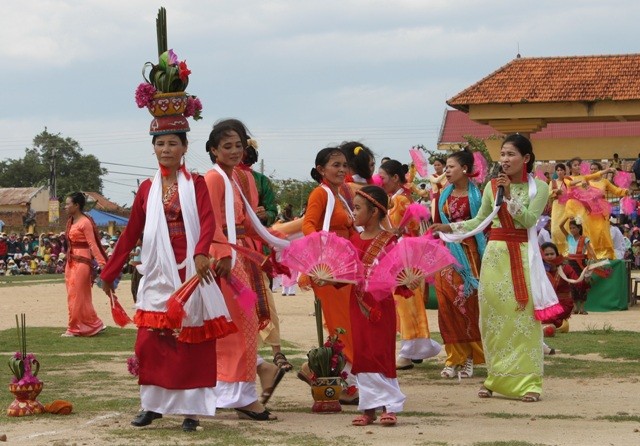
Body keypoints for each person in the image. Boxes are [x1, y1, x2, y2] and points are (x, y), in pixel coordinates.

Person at [432, 134, 561, 403]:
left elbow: (528, 220)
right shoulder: (492, 187)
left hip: (523, 257)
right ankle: (494, 378)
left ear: (525, 158)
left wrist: (509, 197)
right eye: (502, 154)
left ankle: (529, 382)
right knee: (492, 320)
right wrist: (449, 227)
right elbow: (480, 220)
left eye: (511, 154)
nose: (505, 160)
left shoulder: (539, 187)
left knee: (523, 319)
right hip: (494, 257)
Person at [205, 119, 282, 421]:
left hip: (241, 257)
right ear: (213, 150)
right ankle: (243, 397)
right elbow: (209, 220)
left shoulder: (235, 178)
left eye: (239, 145)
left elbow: (248, 222)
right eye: (227, 146)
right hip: (226, 261)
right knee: (239, 327)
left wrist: (279, 240)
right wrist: (223, 253)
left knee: (244, 324)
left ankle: (239, 388)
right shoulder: (214, 179)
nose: (235, 150)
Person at [301, 146, 359, 403]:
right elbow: (308, 225)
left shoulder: (341, 196)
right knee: (344, 324)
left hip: (345, 267)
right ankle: (345, 384)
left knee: (346, 324)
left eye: (344, 165)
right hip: (328, 268)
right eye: (335, 165)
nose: (341, 170)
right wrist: (322, 254)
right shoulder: (320, 193)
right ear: (321, 169)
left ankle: (318, 370)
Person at [349, 185, 405, 426]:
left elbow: (399, 274)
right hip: (357, 304)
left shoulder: (390, 240)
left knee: (381, 352)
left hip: (380, 305)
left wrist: (406, 279)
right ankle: (369, 407)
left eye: (358, 208)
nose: (354, 212)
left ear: (374, 212)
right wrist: (326, 278)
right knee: (362, 353)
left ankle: (389, 405)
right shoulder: (353, 239)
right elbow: (347, 273)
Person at [379, 159, 441, 370]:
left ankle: (409, 351)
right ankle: (415, 349)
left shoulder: (401, 201)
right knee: (406, 303)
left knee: (406, 302)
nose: (381, 181)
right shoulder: (396, 199)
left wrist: (399, 233)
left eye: (383, 177)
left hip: (405, 256)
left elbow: (413, 228)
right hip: (401, 255)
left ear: (395, 178)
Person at [433, 149, 485, 379]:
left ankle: (471, 357)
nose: (447, 171)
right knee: (446, 306)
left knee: (467, 305)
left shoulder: (477, 196)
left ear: (464, 169)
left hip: (469, 255)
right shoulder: (443, 195)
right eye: (446, 167)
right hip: (446, 255)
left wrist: (453, 230)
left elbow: (482, 225)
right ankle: (453, 358)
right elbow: (438, 223)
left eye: (451, 167)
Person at [62, 192, 108, 338]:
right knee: (75, 294)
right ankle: (94, 324)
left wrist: (102, 264)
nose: (65, 206)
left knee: (77, 295)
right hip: (71, 261)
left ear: (76, 205)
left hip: (82, 262)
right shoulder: (71, 221)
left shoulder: (85, 222)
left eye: (68, 204)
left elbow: (93, 245)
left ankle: (74, 328)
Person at [559, 216, 596, 315]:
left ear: (579, 228)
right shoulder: (569, 237)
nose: (572, 230)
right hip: (571, 263)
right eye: (570, 228)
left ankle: (582, 308)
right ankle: (575, 307)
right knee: (572, 284)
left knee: (583, 284)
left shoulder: (584, 239)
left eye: (574, 228)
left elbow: (590, 250)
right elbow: (560, 226)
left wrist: (594, 259)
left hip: (581, 263)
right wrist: (567, 217)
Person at [540, 242, 578, 332]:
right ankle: (559, 324)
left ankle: (553, 325)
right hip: (546, 304)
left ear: (557, 254)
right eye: (546, 254)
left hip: (563, 304)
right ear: (541, 256)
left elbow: (578, 283)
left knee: (547, 318)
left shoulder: (566, 268)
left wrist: (586, 277)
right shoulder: (539, 270)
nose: (549, 256)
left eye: (552, 254)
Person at [548, 163, 569, 254]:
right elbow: (548, 194)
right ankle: (557, 252)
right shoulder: (553, 182)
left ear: (565, 171)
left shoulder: (568, 181)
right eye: (558, 170)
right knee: (555, 230)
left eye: (561, 170)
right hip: (557, 206)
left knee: (566, 227)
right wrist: (555, 192)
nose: (560, 172)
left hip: (566, 206)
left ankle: (567, 252)